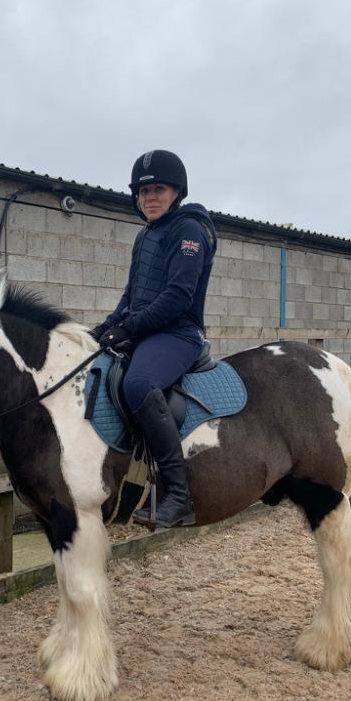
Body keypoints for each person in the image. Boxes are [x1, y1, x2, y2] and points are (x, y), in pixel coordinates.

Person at [91, 150, 217, 528]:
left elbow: (177, 298)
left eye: (158, 189)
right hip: (147, 329)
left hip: (178, 333)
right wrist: (103, 329)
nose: (149, 197)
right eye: (143, 192)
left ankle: (178, 495)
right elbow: (132, 296)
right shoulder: (145, 236)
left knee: (139, 383)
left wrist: (128, 329)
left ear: (176, 192)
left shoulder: (189, 231)